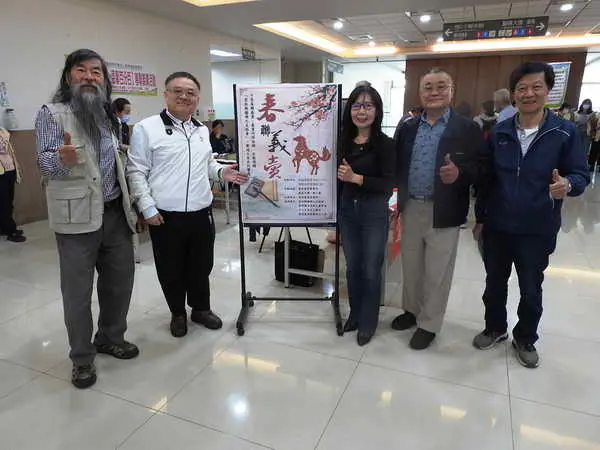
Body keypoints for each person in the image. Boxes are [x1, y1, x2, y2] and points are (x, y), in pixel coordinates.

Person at [473, 61, 589, 368]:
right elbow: (486, 180)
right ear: (513, 94)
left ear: (548, 90)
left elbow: (581, 174)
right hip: (498, 225)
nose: (528, 94)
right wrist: (481, 218)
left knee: (530, 288)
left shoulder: (563, 132)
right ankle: (495, 327)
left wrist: (568, 184)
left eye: (536, 87)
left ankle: (525, 338)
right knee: (494, 284)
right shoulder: (499, 132)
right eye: (522, 88)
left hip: (538, 227)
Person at [34, 49, 139, 389]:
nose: (90, 77)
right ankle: (81, 359)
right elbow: (45, 165)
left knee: (120, 284)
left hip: (115, 214)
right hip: (76, 219)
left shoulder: (108, 115)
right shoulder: (51, 114)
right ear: (68, 76)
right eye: (82, 70)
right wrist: (61, 160)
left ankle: (110, 337)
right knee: (78, 294)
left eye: (97, 71)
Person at [127, 71, 248, 338]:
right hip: (165, 215)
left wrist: (221, 172)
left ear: (197, 98)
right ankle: (177, 313)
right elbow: (136, 171)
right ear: (166, 95)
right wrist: (147, 208)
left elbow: (207, 163)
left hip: (201, 212)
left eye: (191, 92)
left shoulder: (201, 129)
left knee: (201, 265)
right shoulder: (147, 128)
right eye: (178, 91)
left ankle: (200, 309)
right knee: (170, 268)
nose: (184, 96)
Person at [392, 67, 486, 350]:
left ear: (451, 91)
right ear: (419, 92)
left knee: (438, 271)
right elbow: (396, 164)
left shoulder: (467, 128)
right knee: (411, 267)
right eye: (428, 87)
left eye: (441, 86)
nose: (434, 92)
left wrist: (460, 174)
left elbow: (482, 168)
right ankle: (411, 310)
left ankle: (429, 323)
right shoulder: (408, 127)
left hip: (445, 210)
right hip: (411, 206)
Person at [337, 84, 396, 347]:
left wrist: (356, 178)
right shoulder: (342, 142)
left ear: (377, 111)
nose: (362, 111)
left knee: (371, 268)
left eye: (368, 106)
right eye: (357, 105)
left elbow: (389, 184)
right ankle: (355, 314)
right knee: (352, 267)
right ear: (349, 110)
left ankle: (368, 321)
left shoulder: (386, 144)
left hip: (373, 212)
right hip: (347, 210)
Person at [0, 128, 26, 242]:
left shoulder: (2, 131)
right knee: (4, 203)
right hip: (1, 174)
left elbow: (9, 150)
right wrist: (5, 138)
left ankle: (4, 228)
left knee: (9, 202)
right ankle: (11, 231)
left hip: (9, 170)